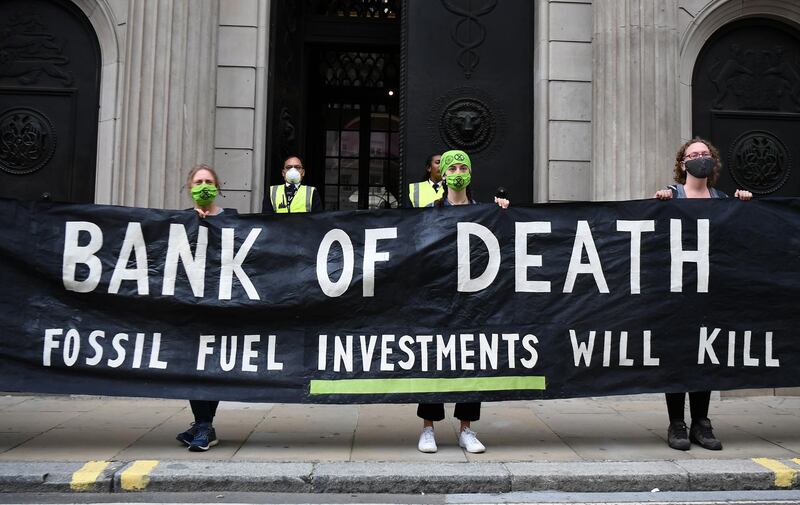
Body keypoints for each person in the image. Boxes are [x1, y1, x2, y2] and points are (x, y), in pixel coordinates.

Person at [655, 138, 752, 451]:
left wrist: (744, 206)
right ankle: (676, 423)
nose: (699, 158)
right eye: (692, 154)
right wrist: (658, 202)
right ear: (682, 164)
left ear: (713, 161)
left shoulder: (723, 200)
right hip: (677, 292)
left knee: (705, 355)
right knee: (678, 355)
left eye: (704, 154)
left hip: (710, 292)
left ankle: (701, 422)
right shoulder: (672, 196)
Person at [417, 149, 509, 454]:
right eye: (451, 167)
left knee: (471, 360)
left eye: (462, 167)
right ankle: (428, 428)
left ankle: (466, 428)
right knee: (433, 360)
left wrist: (504, 212)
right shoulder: (430, 210)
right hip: (439, 298)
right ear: (442, 173)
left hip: (474, 299)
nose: (457, 171)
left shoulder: (485, 211)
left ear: (470, 173)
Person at [175, 163, 230, 451]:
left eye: (209, 180)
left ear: (217, 186)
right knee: (193, 365)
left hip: (220, 305)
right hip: (191, 307)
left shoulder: (232, 220)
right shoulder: (180, 221)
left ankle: (203, 425)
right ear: (190, 187)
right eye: (198, 181)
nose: (204, 185)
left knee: (213, 366)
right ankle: (202, 424)